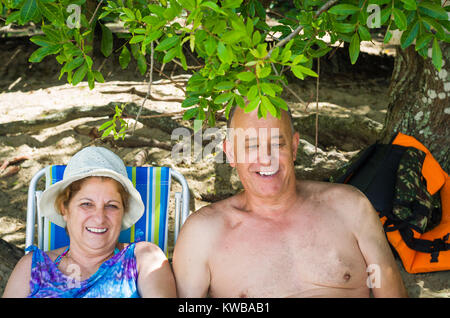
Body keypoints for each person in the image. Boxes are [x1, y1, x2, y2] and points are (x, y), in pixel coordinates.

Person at [172, 105, 408, 298]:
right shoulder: (203, 233)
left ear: (294, 147)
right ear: (231, 153)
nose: (266, 159)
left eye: (277, 143)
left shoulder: (350, 207)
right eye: (251, 145)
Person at [2, 146, 176, 298]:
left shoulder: (142, 259)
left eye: (112, 206)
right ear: (64, 209)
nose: (99, 218)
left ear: (123, 212)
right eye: (86, 204)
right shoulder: (32, 267)